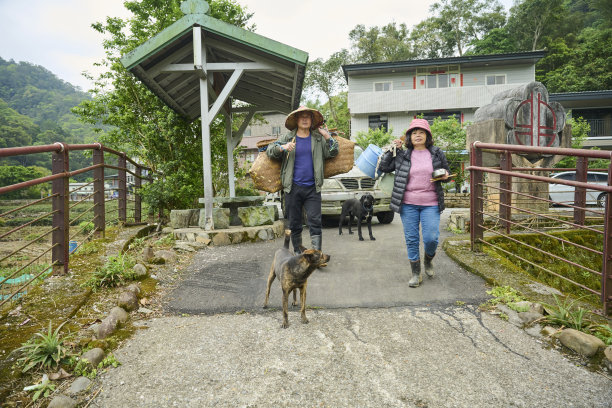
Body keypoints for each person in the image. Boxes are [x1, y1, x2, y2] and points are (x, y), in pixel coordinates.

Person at [379, 118, 450, 288]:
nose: (418, 136)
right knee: (412, 239)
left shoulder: (436, 152)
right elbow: (384, 167)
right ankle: (416, 273)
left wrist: (445, 176)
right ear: (409, 137)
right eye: (414, 133)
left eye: (421, 132)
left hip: (431, 202)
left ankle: (428, 260)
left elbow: (446, 172)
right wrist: (392, 149)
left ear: (427, 135)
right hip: (408, 203)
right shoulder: (403, 155)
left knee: (431, 238)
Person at [267, 106, 338, 253]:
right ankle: (299, 252)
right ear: (296, 120)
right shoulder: (288, 138)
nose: (305, 119)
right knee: (294, 222)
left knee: (315, 221)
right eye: (302, 117)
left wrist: (327, 136)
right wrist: (283, 147)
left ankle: (316, 254)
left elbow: (333, 152)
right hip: (292, 188)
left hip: (313, 187)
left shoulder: (317, 138)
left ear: (311, 120)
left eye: (308, 117)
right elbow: (270, 150)